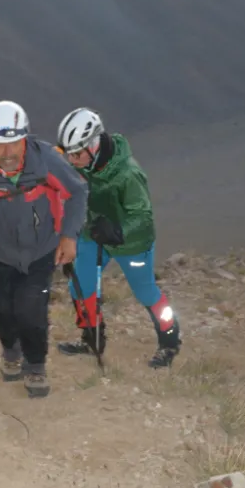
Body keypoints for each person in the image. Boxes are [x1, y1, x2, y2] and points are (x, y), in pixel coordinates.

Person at [0, 100, 88, 398]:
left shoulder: (46, 159)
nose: (7, 152)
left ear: (25, 138)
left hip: (42, 250)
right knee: (5, 305)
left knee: (31, 306)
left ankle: (35, 365)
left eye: (14, 142)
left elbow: (77, 191)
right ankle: (10, 351)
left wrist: (69, 236)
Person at [55, 108, 181, 369]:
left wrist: (118, 230)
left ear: (93, 145)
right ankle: (92, 339)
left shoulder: (128, 173)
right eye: (69, 154)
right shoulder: (82, 162)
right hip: (95, 235)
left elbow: (143, 216)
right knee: (80, 284)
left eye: (76, 154)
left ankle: (170, 340)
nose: (72, 160)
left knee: (145, 292)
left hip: (131, 243)